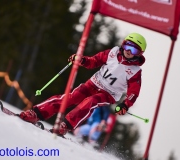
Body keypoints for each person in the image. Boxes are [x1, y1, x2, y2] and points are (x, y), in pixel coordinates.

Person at [19, 32, 147, 137]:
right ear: (123, 45)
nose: (129, 51)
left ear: (139, 54)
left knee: (91, 101)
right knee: (70, 98)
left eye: (134, 49)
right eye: (127, 46)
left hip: (108, 94)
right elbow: (94, 61)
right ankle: (36, 113)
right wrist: (82, 60)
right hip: (93, 83)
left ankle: (65, 126)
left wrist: (125, 105)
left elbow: (133, 93)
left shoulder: (135, 71)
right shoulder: (112, 53)